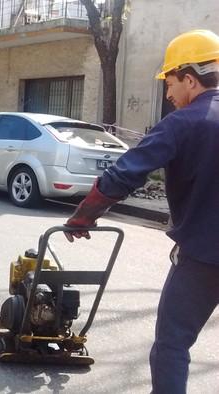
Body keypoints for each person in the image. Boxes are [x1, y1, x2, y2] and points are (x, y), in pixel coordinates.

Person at [64, 30, 219, 393]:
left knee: (172, 344)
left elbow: (123, 175)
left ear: (190, 79)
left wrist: (82, 217)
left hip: (205, 256)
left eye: (170, 82)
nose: (168, 94)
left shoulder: (183, 123)